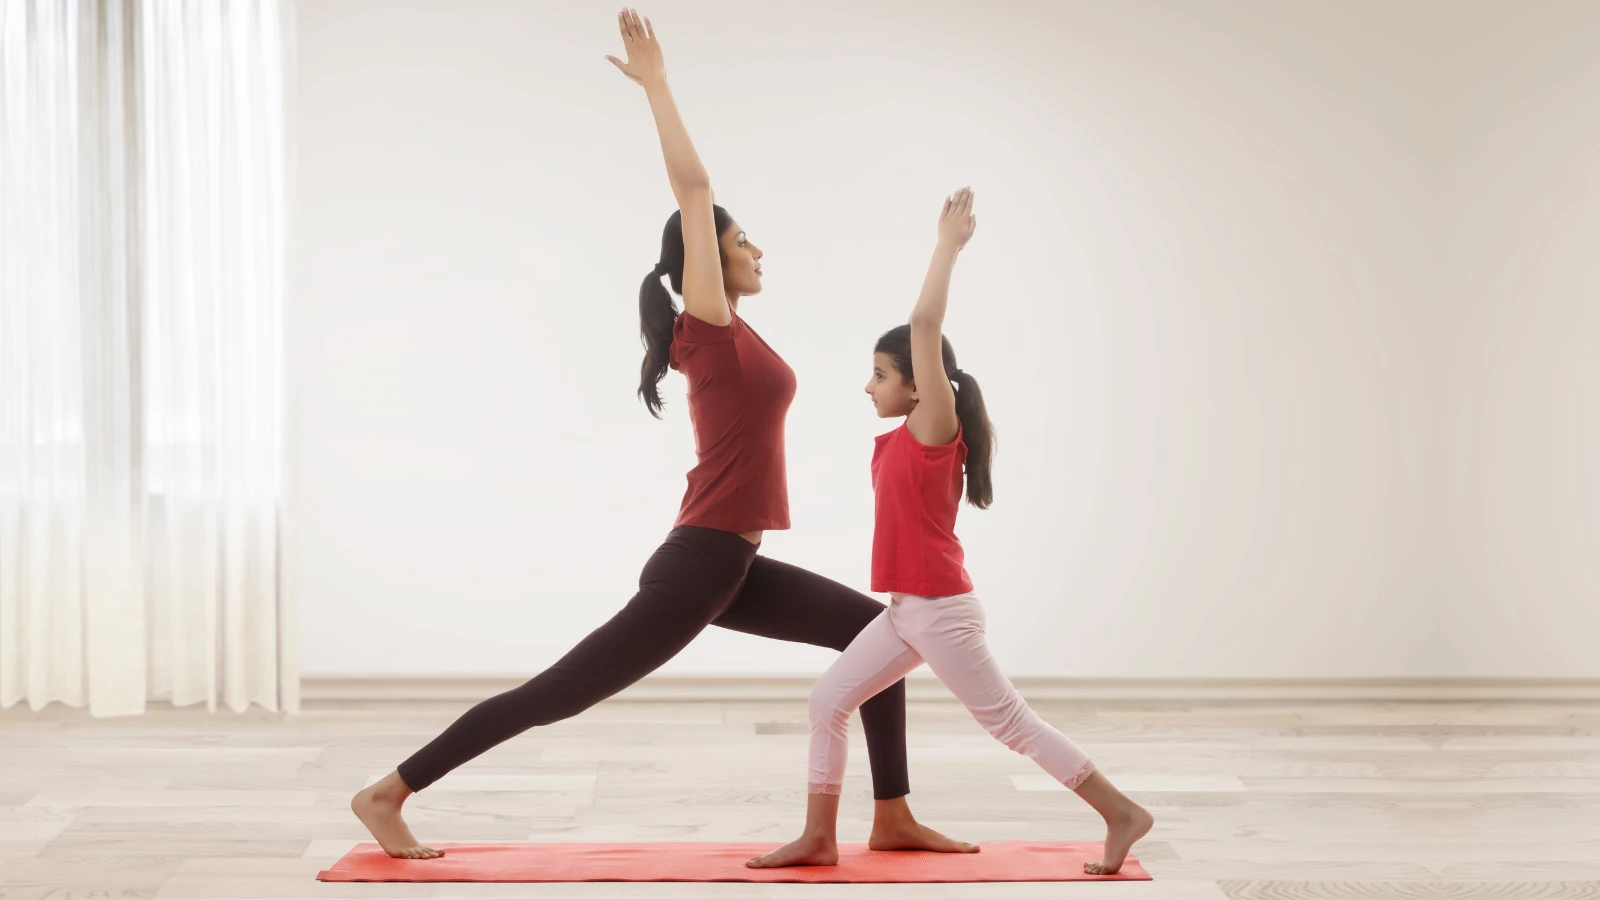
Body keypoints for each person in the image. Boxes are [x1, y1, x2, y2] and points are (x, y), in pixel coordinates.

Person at [348, 9, 973, 861]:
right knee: (561, 692)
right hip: (700, 561)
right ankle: (389, 791)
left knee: (880, 640)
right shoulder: (707, 327)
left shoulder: (737, 336)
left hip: (731, 561)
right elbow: (694, 192)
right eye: (740, 239)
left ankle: (892, 813)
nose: (756, 247)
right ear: (704, 262)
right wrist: (658, 87)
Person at [747, 187, 1154, 875]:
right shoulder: (904, 437)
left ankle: (1122, 813)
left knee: (1010, 725)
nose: (867, 387)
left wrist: (947, 247)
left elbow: (925, 323)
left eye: (879, 375)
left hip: (941, 611)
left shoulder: (935, 429)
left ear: (918, 386)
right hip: (909, 612)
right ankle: (818, 836)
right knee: (828, 701)